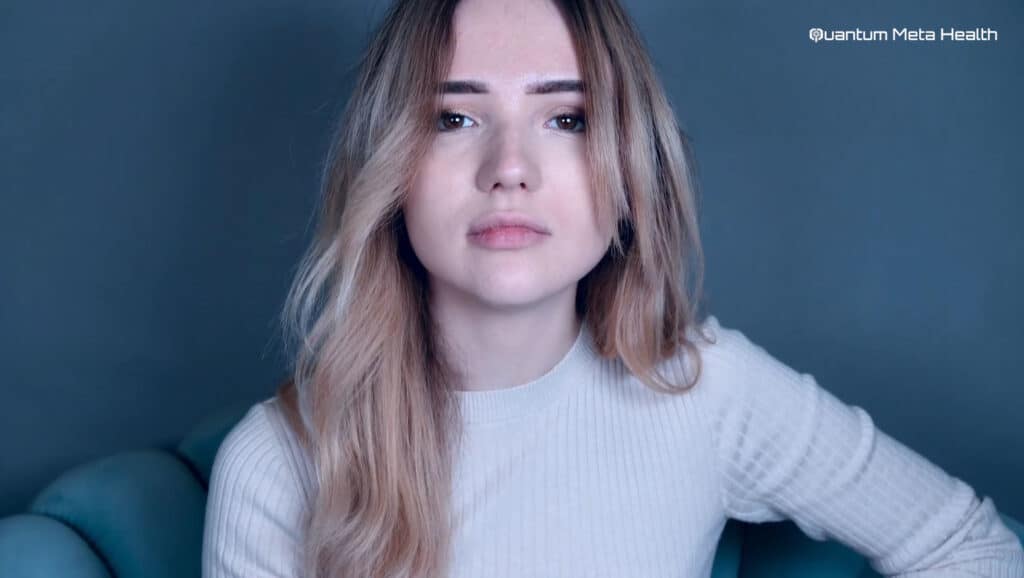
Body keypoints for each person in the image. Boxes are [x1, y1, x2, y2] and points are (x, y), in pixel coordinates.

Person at [201, 0, 1024, 576]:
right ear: (390, 172)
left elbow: (975, 551)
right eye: (453, 118)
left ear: (629, 170)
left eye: (568, 119)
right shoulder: (278, 466)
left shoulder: (707, 392)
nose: (510, 170)